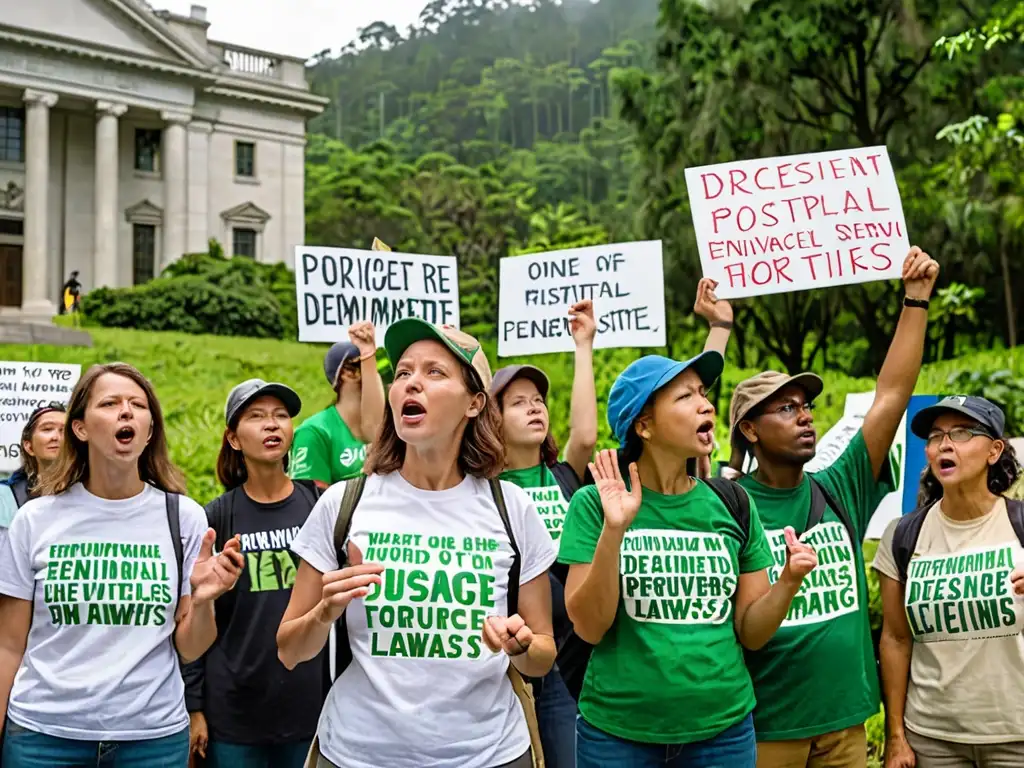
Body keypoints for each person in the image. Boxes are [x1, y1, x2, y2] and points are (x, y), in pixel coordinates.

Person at [277, 318, 557, 768]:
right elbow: (290, 650)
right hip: (356, 755)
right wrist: (324, 613)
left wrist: (521, 645)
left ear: (474, 403)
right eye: (403, 372)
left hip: (489, 755)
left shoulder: (513, 509)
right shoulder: (343, 503)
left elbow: (542, 656)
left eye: (435, 372)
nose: (412, 383)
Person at [728, 246, 939, 768]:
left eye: (806, 407)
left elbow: (891, 395)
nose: (805, 418)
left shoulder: (839, 485)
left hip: (845, 727)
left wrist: (915, 300)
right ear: (749, 430)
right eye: (785, 408)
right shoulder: (727, 505)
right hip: (766, 729)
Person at [559, 348, 818, 768]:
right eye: (685, 397)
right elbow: (588, 627)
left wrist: (788, 581)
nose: (706, 405)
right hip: (617, 737)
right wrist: (614, 531)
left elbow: (751, 633)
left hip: (723, 735)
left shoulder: (732, 502)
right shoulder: (594, 504)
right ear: (644, 425)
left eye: (703, 393)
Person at [0, 362, 244, 767]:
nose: (126, 411)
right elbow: (8, 644)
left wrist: (203, 600)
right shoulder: (34, 519)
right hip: (43, 739)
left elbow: (190, 646)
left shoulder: (184, 518)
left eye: (137, 404)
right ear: (79, 428)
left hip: (150, 742)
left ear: (149, 430)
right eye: (110, 403)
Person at [184, 379, 328, 768]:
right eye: (257, 417)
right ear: (233, 438)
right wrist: (195, 707)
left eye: (281, 416)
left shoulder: (319, 505)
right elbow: (196, 611)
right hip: (234, 714)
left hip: (310, 710)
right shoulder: (215, 517)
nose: (272, 425)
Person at [874, 396, 1024, 768]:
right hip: (932, 738)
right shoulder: (902, 536)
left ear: (994, 450)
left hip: (1016, 735)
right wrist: (896, 738)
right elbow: (894, 638)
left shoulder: (1019, 523)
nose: (945, 444)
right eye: (936, 436)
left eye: (961, 433)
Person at [490, 299, 597, 768]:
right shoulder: (482, 489)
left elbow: (588, 435)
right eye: (518, 403)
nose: (534, 409)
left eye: (539, 402)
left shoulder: (565, 476)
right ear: (491, 419)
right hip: (512, 656)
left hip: (576, 659)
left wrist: (584, 345)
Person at [289, 322, 385, 490]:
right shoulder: (314, 432)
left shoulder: (394, 429)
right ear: (349, 373)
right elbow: (310, 503)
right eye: (370, 366)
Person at [2, 402, 67, 508]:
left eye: (64, 431)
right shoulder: (5, 496)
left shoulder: (95, 492)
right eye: (47, 429)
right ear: (29, 447)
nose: (56, 437)